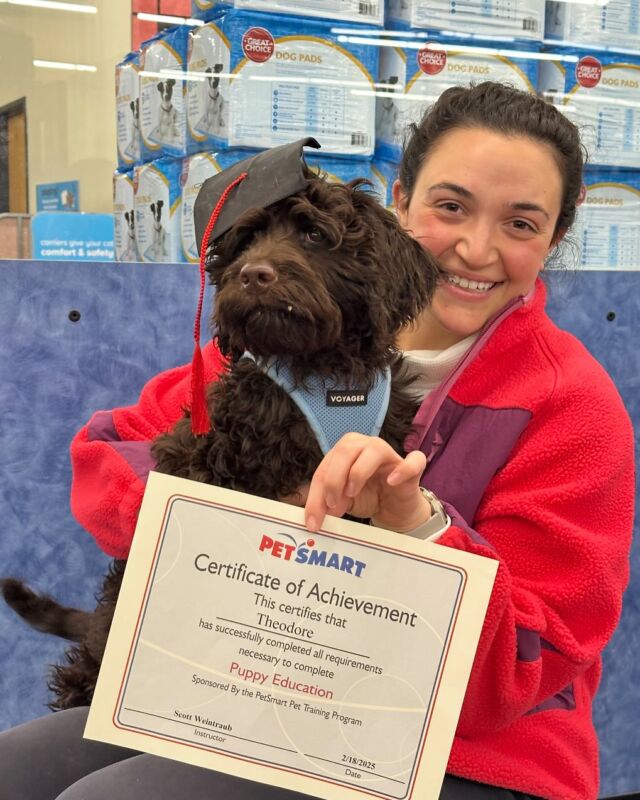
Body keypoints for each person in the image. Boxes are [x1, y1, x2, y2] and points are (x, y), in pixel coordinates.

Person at [0, 82, 634, 800]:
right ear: (400, 201)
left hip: (469, 752)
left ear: (555, 237)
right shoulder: (279, 341)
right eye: (450, 206)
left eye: (522, 224)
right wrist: (216, 509)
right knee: (15, 771)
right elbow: (112, 454)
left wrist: (419, 531)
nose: (475, 247)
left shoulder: (573, 408)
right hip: (258, 691)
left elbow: (523, 665)